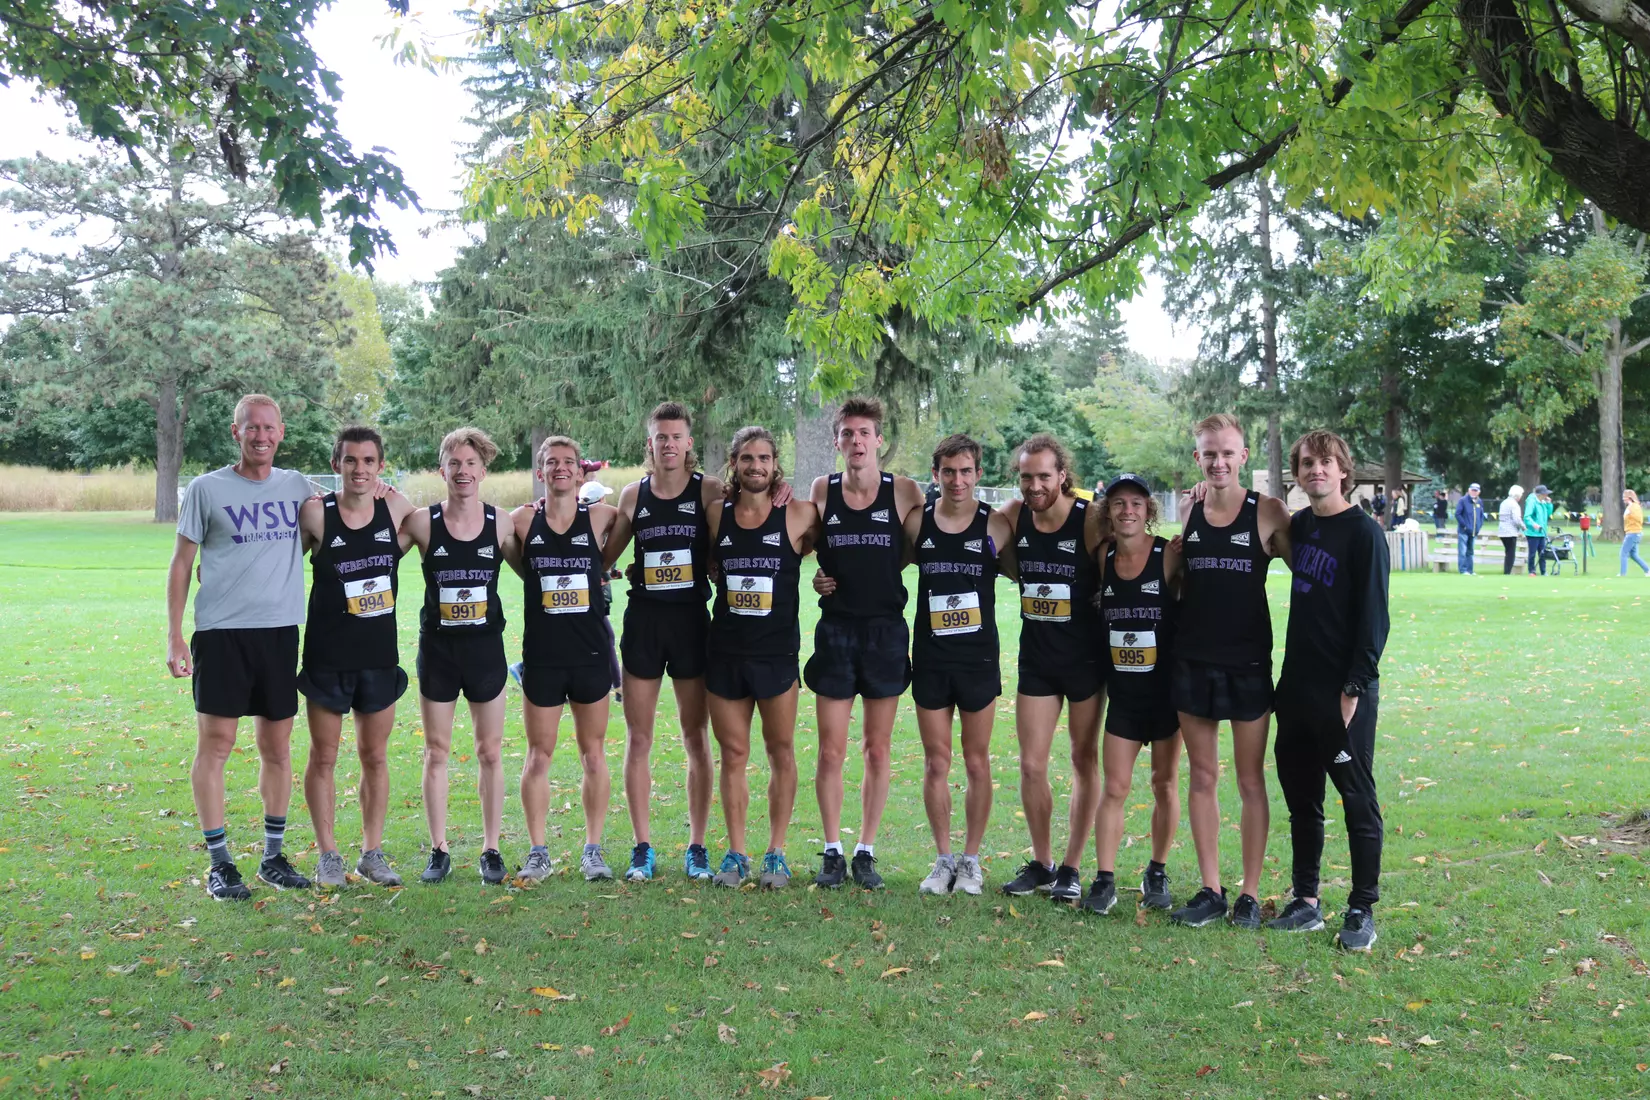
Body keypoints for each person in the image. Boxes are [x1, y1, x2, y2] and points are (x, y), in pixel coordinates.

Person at [167, 395, 318, 898]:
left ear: (281, 433)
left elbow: (355, 510)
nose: (260, 436)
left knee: (276, 748)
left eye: (269, 428)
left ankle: (273, 857)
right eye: (251, 428)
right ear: (237, 433)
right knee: (216, 746)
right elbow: (182, 564)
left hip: (278, 634)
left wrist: (382, 488)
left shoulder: (298, 488)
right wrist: (173, 634)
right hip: (221, 635)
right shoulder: (207, 490)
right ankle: (220, 862)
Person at [1266, 430, 1390, 952]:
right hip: (1295, 687)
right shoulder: (1301, 527)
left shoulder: (1364, 533)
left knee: (1356, 797)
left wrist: (1354, 687)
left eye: (1326, 462)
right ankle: (1307, 901)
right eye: (1307, 463)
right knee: (1302, 799)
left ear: (1344, 470)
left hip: (1343, 692)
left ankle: (1361, 908)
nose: (1316, 470)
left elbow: (1374, 618)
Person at [1170, 413, 1290, 929]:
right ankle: (1211, 887)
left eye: (1227, 453)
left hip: (1248, 665)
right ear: (1197, 458)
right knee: (1201, 776)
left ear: (1244, 457)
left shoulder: (1267, 512)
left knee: (1249, 780)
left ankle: (1249, 892)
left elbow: (1312, 568)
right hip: (1193, 662)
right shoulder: (1188, 509)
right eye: (1208, 453)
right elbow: (1174, 582)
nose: (1218, 461)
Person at [806, 397, 925, 889]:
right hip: (835, 632)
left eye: (864, 433)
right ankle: (832, 849)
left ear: (879, 440)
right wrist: (818, 580)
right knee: (831, 751)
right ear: (837, 442)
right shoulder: (821, 490)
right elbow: (804, 541)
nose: (856, 442)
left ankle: (866, 851)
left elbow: (927, 545)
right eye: (847, 434)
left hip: (885, 633)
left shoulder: (905, 492)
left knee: (877, 749)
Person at [603, 402, 724, 882]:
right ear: (649, 443)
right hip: (646, 624)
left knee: (697, 737)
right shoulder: (634, 494)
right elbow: (604, 555)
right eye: (660, 436)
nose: (669, 443)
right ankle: (642, 847)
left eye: (677, 436)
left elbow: (731, 544)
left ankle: (696, 847)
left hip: (693, 622)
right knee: (639, 738)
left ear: (689, 442)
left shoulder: (709, 490)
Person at [296, 426, 415, 888]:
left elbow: (441, 530)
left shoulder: (398, 507)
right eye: (351, 460)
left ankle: (371, 852)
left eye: (369, 461)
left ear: (380, 466)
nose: (360, 469)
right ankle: (328, 855)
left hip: (379, 656)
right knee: (324, 756)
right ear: (336, 465)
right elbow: (276, 563)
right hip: (328, 655)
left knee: (375, 756)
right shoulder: (315, 513)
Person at [403, 427, 521, 885]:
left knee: (489, 751)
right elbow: (375, 555)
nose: (463, 471)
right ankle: (439, 849)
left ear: (483, 471)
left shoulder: (502, 522)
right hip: (438, 652)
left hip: (485, 651)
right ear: (442, 470)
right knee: (437, 752)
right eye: (454, 463)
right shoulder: (420, 522)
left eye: (471, 464)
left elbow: (534, 569)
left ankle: (491, 849)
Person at [704, 427, 821, 889]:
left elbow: (833, 550)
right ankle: (736, 853)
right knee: (732, 754)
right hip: (726, 653)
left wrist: (824, 580)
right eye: (747, 458)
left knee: (781, 752)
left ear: (776, 465)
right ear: (734, 463)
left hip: (776, 656)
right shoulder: (716, 515)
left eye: (765, 458)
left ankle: (776, 852)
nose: (756, 466)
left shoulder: (799, 513)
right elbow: (706, 563)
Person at [996, 435, 1107, 902]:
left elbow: (1120, 571)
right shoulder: (1014, 514)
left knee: (1084, 759)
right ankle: (1042, 862)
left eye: (1044, 475)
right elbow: (986, 546)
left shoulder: (1090, 519)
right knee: (1031, 764)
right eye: (1026, 477)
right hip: (1037, 660)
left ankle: (1072, 867)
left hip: (1084, 661)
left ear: (1063, 475)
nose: (1035, 485)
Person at [509, 436, 621, 882]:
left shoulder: (603, 517)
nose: (559, 468)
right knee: (539, 756)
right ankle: (539, 851)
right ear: (540, 472)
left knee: (594, 754)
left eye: (568, 463)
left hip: (591, 652)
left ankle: (592, 850)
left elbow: (626, 527)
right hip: (542, 656)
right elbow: (520, 566)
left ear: (581, 473)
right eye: (550, 462)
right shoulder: (519, 521)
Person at [906, 434, 1013, 896]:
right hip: (930, 656)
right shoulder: (917, 522)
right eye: (948, 471)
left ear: (978, 474)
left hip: (977, 658)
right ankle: (943, 857)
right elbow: (879, 567)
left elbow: (1030, 569)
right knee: (936, 762)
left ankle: (971, 860)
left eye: (966, 471)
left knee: (976, 760)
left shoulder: (997, 524)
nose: (957, 480)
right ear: (936, 474)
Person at [1080, 475, 1183, 915]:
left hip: (1164, 696)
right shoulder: (1101, 556)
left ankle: (1156, 870)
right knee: (1115, 787)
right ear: (1108, 512)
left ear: (1148, 510)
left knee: (1163, 783)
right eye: (1118, 503)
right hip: (1122, 696)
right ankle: (1104, 879)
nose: (1127, 511)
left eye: (1136, 504)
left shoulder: (1169, 555)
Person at [1453, 482, 1485, 575]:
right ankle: (1463, 570)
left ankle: (1470, 570)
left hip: (1474, 531)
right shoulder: (1463, 500)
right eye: (1472, 490)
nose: (1474, 492)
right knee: (1462, 551)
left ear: (1479, 492)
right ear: (1469, 490)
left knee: (1470, 552)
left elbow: (1481, 515)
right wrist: (1464, 526)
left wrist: (1479, 526)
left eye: (1476, 491)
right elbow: (1457, 514)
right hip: (1464, 531)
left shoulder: (1479, 501)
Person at [1524, 484, 1555, 577]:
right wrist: (1533, 524)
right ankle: (1531, 571)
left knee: (1542, 553)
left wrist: (1549, 504)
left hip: (1542, 532)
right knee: (1532, 553)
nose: (1546, 496)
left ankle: (1543, 571)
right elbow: (1527, 516)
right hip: (1533, 533)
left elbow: (1549, 514)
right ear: (1539, 494)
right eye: (1545, 494)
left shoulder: (1543, 503)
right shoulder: (1531, 502)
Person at [1498, 485, 1525, 574]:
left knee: (1508, 552)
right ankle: (1507, 572)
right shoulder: (1514, 504)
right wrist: (1523, 526)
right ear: (1517, 495)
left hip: (1502, 532)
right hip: (1510, 532)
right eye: (1520, 495)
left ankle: (1507, 571)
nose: (1520, 497)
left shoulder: (1504, 502)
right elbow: (1516, 518)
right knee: (1511, 554)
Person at [1622, 489, 1647, 577]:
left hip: (1633, 533)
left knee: (1623, 553)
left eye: (1624, 497)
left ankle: (1622, 574)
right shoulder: (1630, 507)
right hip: (1632, 532)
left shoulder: (1634, 507)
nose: (1623, 499)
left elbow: (1638, 519)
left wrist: (1630, 514)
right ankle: (1647, 570)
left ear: (1629, 497)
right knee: (1633, 554)